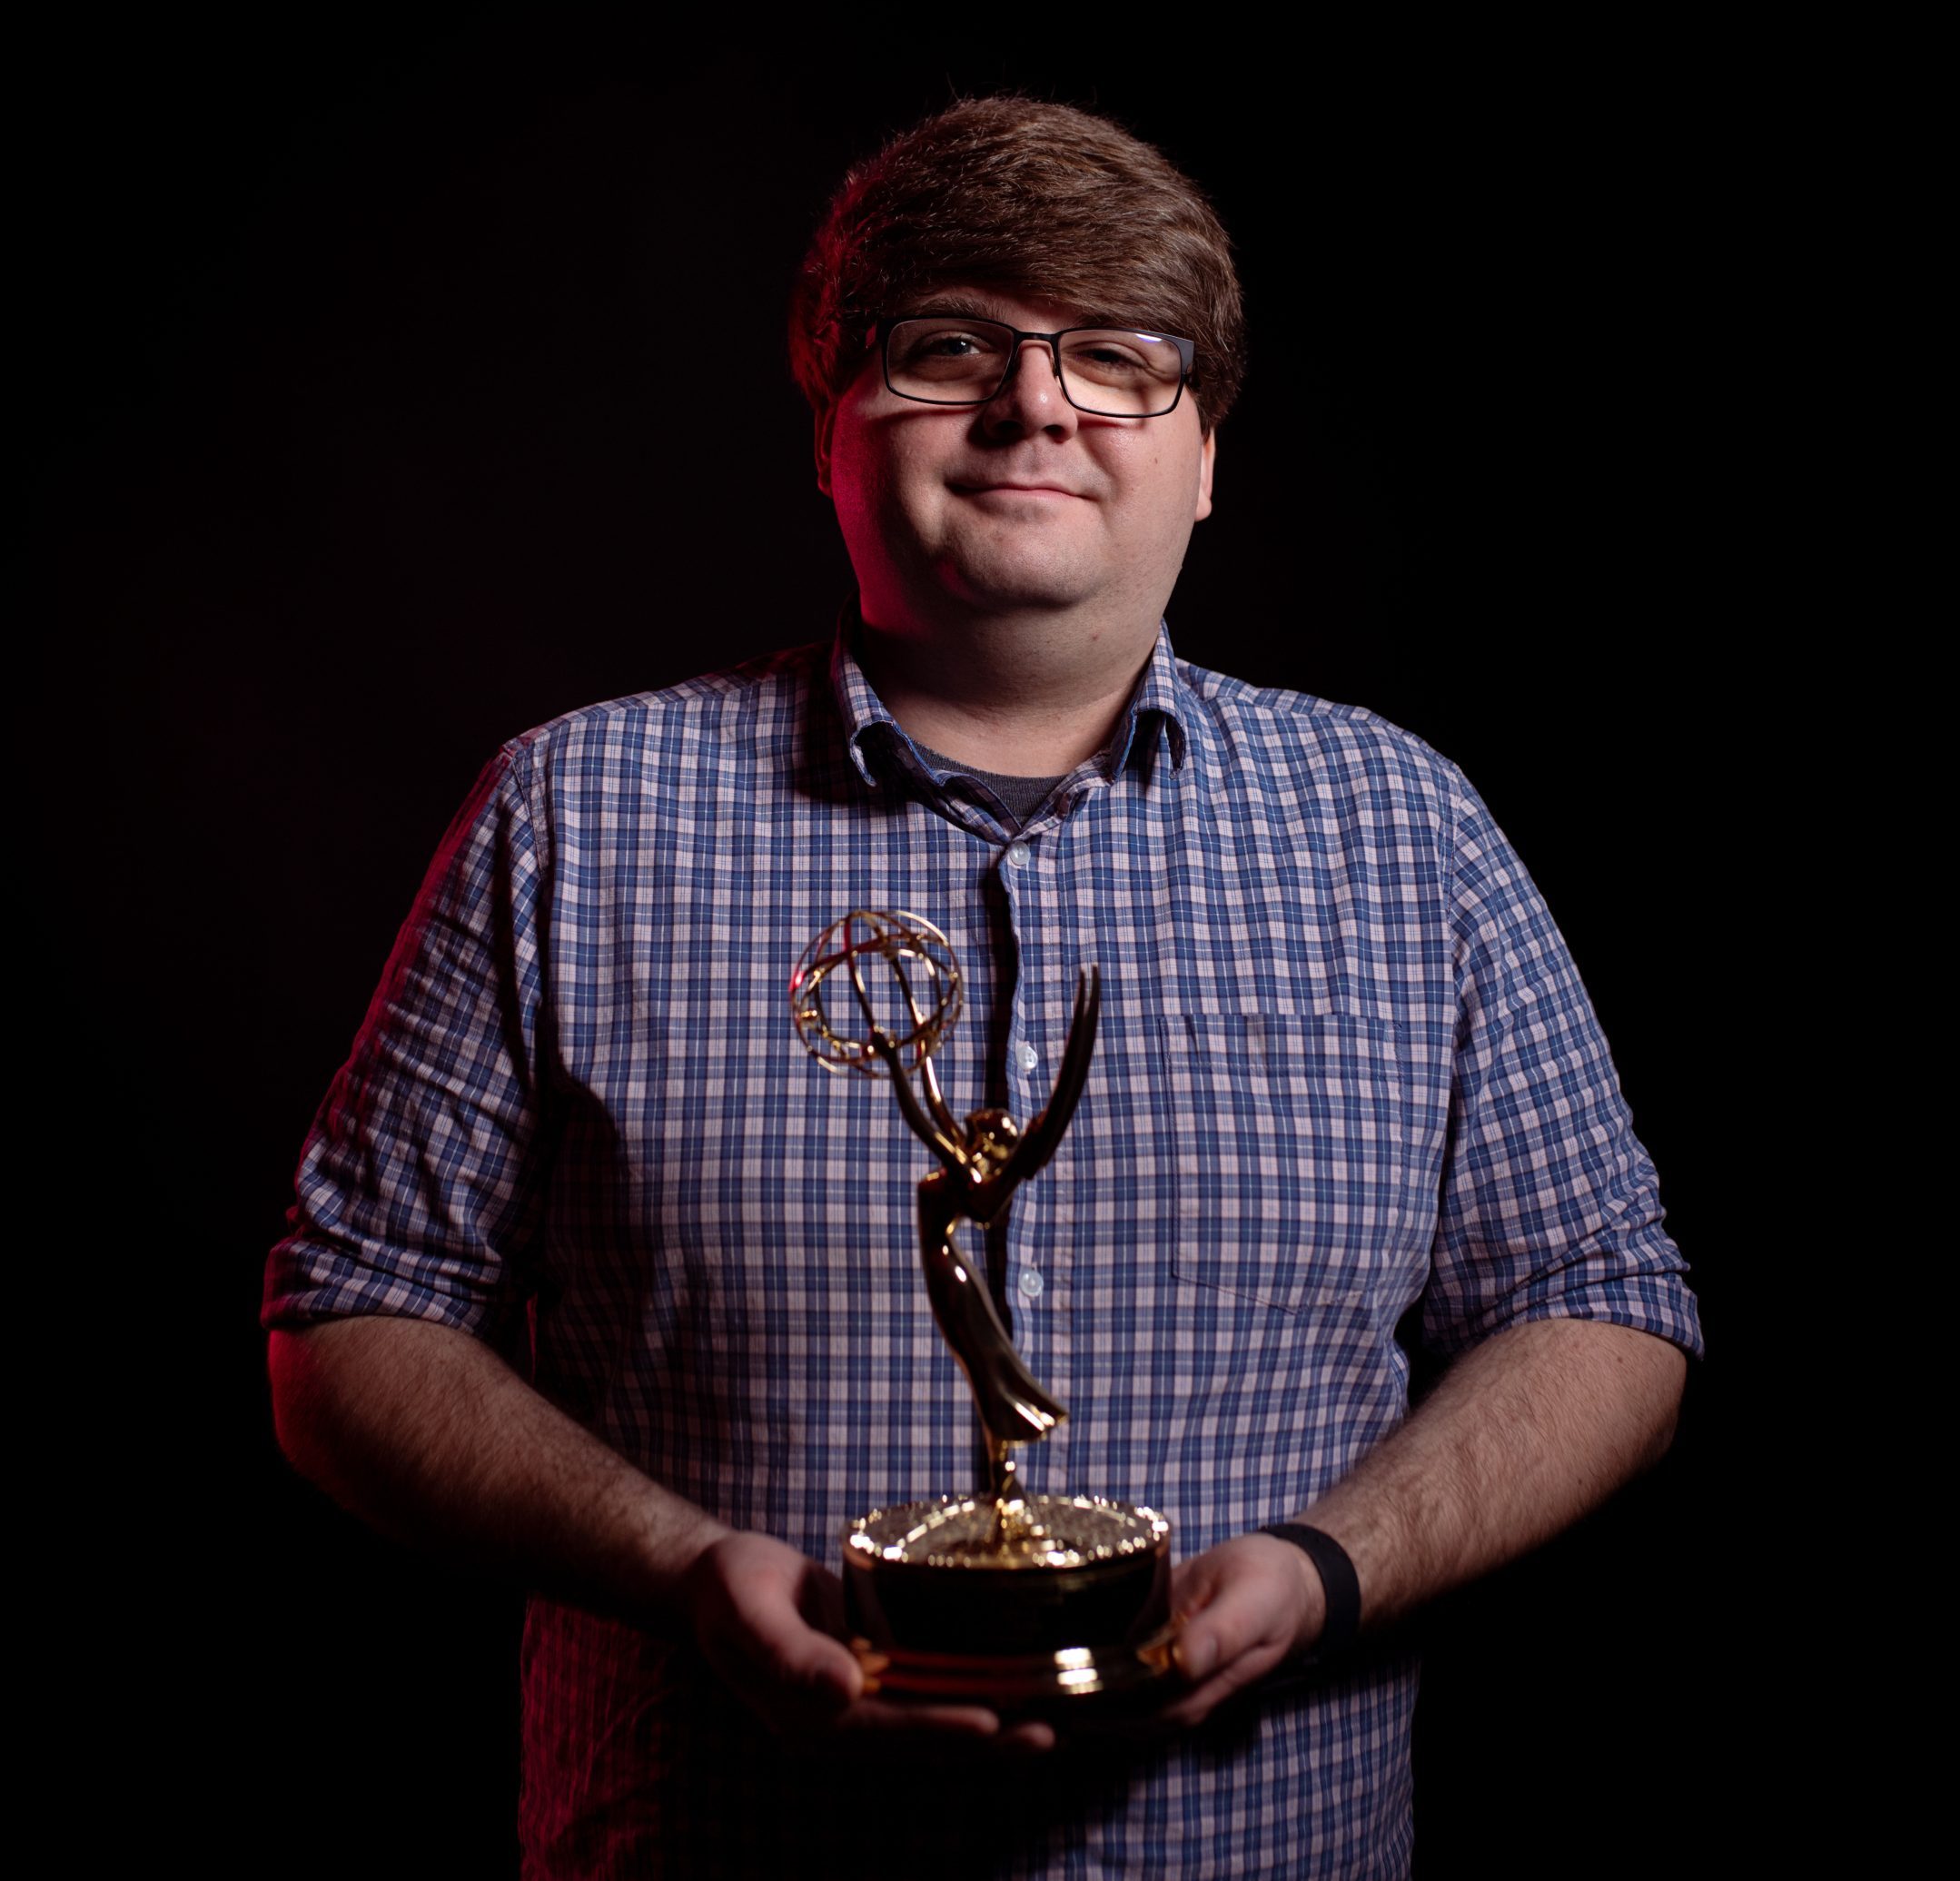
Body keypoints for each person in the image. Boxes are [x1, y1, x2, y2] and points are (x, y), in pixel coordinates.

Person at [264, 96, 1701, 1877]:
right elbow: (347, 1318)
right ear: (826, 426)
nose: (1035, 405)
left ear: (1202, 456)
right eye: (950, 344)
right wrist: (676, 1566)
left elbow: (1602, 1302)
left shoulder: (1402, 830)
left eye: (1117, 356)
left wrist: (1335, 1566)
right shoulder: (574, 813)